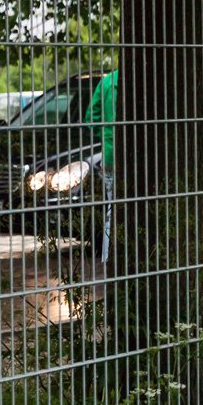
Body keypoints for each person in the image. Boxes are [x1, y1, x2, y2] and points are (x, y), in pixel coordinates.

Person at [85, 68, 118, 264]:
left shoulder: (107, 82)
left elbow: (91, 118)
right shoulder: (144, 78)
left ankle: (106, 257)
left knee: (111, 209)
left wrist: (105, 136)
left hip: (109, 154)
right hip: (139, 156)